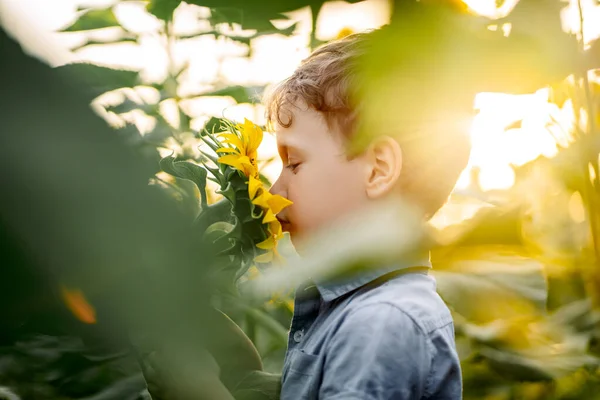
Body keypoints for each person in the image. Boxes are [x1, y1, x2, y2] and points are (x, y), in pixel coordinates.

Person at [265, 30, 468, 399]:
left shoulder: (380, 323)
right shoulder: (358, 309)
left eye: (293, 163)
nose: (274, 192)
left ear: (377, 170)